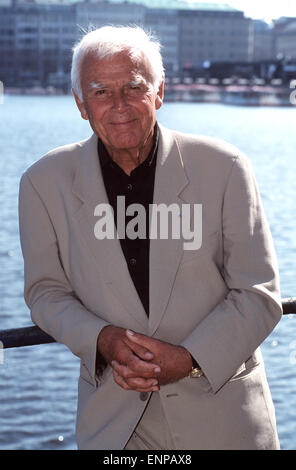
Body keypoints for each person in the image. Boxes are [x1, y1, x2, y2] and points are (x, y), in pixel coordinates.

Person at [18, 25, 282, 450]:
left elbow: (258, 293)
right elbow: (46, 292)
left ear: (159, 92)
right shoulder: (41, 182)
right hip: (114, 428)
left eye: (134, 87)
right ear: (80, 105)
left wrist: (190, 360)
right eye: (101, 91)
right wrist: (102, 340)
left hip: (223, 420)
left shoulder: (226, 167)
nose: (119, 105)